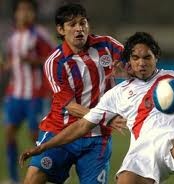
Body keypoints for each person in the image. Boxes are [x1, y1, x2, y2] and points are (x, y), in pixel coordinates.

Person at [20, 32, 174, 184]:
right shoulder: (117, 93)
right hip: (141, 152)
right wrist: (44, 147)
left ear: (157, 58)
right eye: (136, 58)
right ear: (129, 62)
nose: (142, 63)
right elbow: (82, 126)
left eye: (147, 57)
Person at [19, 2, 126, 184]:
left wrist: (126, 67)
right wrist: (106, 117)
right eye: (72, 24)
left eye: (82, 23)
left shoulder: (106, 45)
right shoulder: (55, 62)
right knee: (33, 178)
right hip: (61, 131)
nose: (79, 29)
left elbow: (133, 59)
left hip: (97, 136)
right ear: (61, 30)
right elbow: (71, 106)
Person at [2, 0, 53, 183]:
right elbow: (11, 61)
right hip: (14, 93)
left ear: (34, 14)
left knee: (36, 137)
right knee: (9, 132)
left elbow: (52, 59)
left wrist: (34, 61)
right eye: (20, 10)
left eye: (28, 10)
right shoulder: (12, 36)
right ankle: (14, 178)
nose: (24, 13)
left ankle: (48, 171)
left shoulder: (40, 35)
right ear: (15, 13)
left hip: (35, 94)